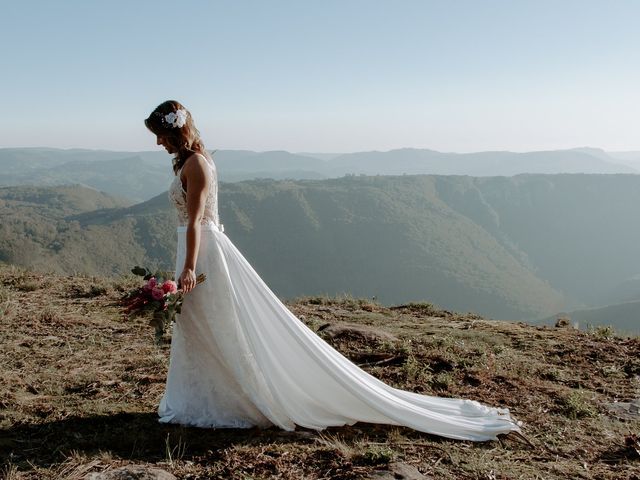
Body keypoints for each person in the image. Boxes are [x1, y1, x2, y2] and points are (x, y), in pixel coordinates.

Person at [144, 100, 521, 441]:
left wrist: (190, 267)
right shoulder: (194, 161)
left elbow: (195, 222)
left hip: (203, 252)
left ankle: (229, 399)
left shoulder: (196, 165)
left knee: (213, 323)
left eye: (161, 136)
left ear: (175, 130)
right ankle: (206, 397)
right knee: (202, 324)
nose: (159, 143)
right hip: (197, 248)